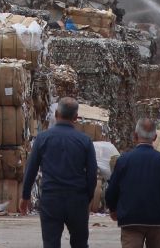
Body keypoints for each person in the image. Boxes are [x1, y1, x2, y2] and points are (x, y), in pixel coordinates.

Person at [20, 97, 98, 248]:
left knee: (51, 243)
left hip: (51, 199)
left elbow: (31, 169)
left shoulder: (42, 138)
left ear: (56, 114)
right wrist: (87, 197)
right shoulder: (85, 141)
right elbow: (92, 174)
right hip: (77, 199)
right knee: (80, 243)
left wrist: (25, 196)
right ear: (76, 118)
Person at [105, 119, 160, 248]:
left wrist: (113, 209)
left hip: (130, 220)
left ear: (135, 136)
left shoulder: (124, 160)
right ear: (155, 137)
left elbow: (112, 190)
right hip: (159, 220)